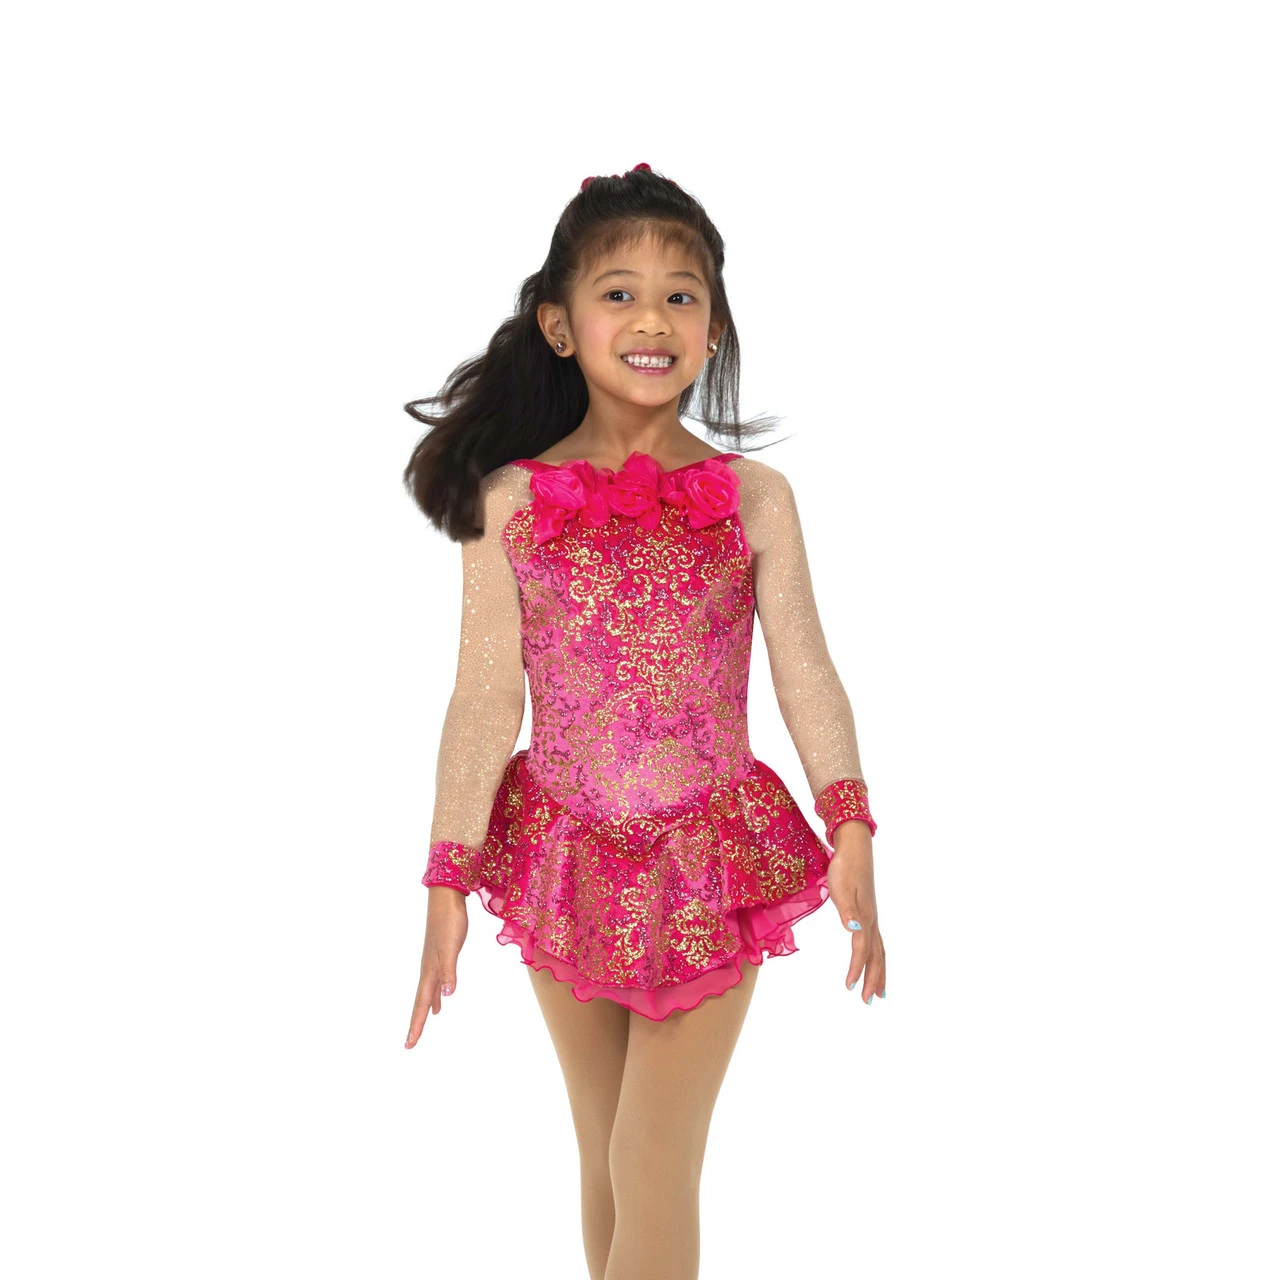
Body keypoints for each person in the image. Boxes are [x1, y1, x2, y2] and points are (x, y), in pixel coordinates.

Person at [401, 162, 886, 1280]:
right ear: (558, 325)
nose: (652, 319)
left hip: (708, 860)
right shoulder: (508, 500)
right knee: (605, 1156)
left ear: (714, 328)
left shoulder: (754, 499)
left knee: (651, 1154)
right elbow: (485, 697)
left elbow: (805, 665)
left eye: (681, 296)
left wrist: (850, 818)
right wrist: (445, 876)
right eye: (618, 293)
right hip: (562, 854)